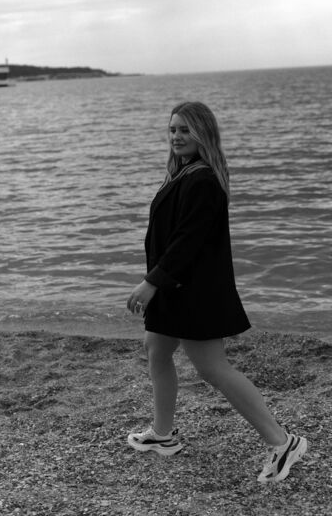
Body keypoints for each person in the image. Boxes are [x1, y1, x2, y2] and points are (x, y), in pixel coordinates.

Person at [126, 101, 307, 483]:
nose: (177, 136)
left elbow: (187, 242)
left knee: (212, 368)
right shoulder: (183, 173)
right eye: (173, 129)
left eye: (185, 130)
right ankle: (163, 435)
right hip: (175, 288)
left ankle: (282, 442)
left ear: (203, 133)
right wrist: (158, 281)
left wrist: (151, 282)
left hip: (194, 292)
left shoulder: (203, 179)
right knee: (157, 350)